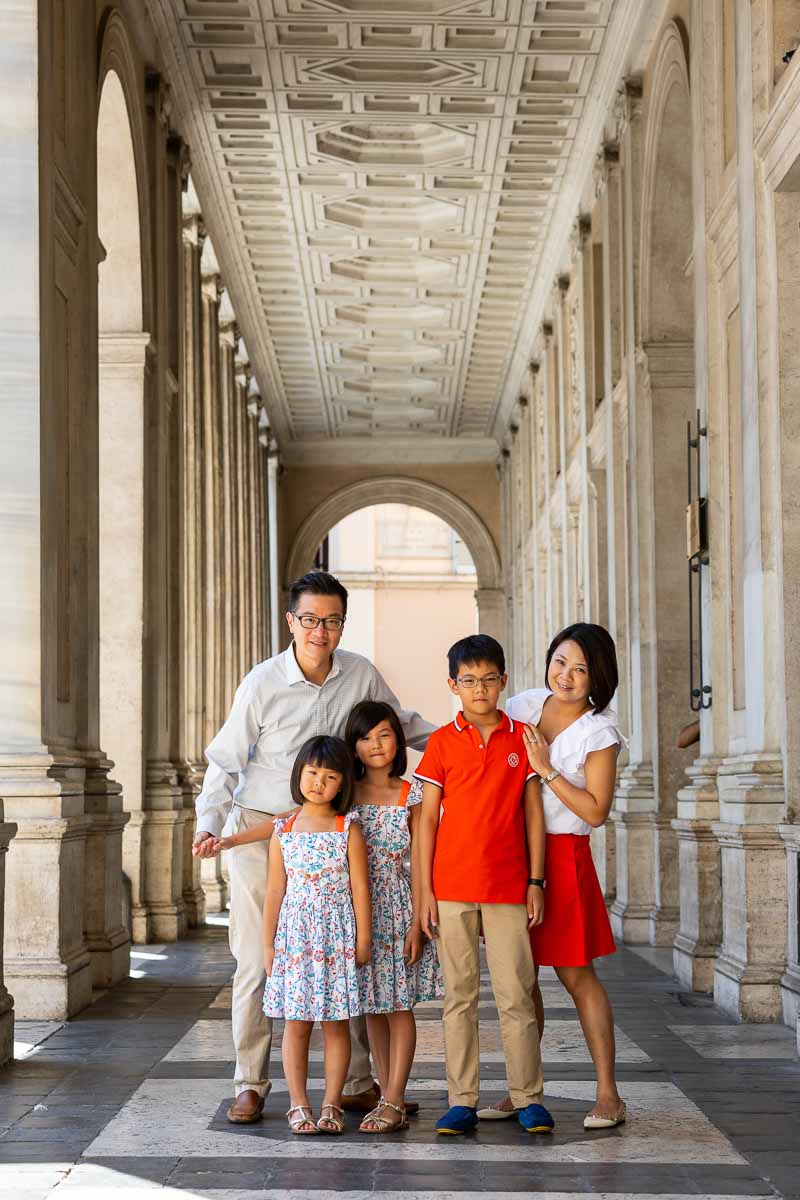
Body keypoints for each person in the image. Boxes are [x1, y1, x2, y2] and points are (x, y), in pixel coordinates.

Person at [192, 570, 433, 1124]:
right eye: (309, 620)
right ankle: (250, 1082)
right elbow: (226, 759)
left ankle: (354, 1083)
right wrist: (210, 823)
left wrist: (469, 736)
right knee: (258, 960)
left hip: (338, 835)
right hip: (265, 831)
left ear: (342, 623)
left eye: (331, 621)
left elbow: (402, 725)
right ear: (290, 621)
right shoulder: (261, 682)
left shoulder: (361, 674)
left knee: (346, 956)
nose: (320, 631)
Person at [483, 622, 626, 1131]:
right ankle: (523, 1088)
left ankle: (608, 1092)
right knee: (520, 977)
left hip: (564, 857)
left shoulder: (599, 732)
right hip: (510, 854)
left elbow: (595, 811)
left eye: (581, 669)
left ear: (597, 677)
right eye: (561, 661)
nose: (566, 675)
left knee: (574, 974)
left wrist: (545, 769)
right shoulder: (522, 706)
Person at [415, 634, 554, 1137]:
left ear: (503, 681)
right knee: (459, 997)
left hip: (510, 886)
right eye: (469, 681)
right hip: (451, 887)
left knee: (517, 993)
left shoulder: (524, 737)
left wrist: (536, 880)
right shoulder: (440, 743)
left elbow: (533, 814)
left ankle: (528, 1097)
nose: (480, 689)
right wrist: (423, 892)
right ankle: (461, 1099)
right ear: (453, 685)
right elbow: (427, 821)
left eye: (488, 679)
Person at [344, 700, 444, 1133]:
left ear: (398, 740)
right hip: (355, 910)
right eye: (365, 737)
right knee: (371, 1006)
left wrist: (420, 917)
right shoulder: (344, 792)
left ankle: (396, 1099)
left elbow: (422, 859)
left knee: (399, 1005)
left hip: (398, 903)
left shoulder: (413, 793)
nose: (375, 744)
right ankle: (386, 1093)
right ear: (354, 746)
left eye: (384, 734)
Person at [263, 736, 370, 1135]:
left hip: (336, 937)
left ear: (342, 783)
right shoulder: (283, 829)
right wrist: (267, 944)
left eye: (329, 776)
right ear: (299, 775)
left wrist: (363, 940)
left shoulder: (347, 829)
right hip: (294, 938)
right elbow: (275, 889)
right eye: (312, 773)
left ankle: (331, 1103)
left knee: (336, 1023)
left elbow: (361, 888)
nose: (318, 783)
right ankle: (298, 1103)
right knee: (297, 1023)